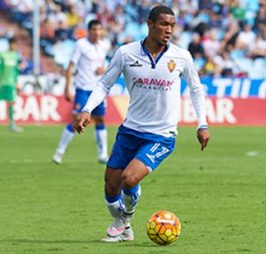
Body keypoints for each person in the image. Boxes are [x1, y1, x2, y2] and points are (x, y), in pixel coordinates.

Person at [73, 5, 210, 242]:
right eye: (164, 24)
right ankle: (125, 229)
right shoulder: (126, 53)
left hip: (161, 135)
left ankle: (125, 218)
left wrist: (202, 123)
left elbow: (196, 90)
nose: (169, 30)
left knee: (129, 178)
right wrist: (87, 109)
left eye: (172, 26)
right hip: (130, 130)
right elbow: (105, 83)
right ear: (149, 24)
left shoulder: (181, 56)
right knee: (110, 186)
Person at [52, 19, 111, 164]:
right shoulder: (81, 45)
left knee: (100, 119)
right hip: (83, 89)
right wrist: (67, 87)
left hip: (98, 90)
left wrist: (104, 69)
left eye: (99, 29)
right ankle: (59, 152)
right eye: (94, 30)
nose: (97, 32)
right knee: (77, 120)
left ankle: (102, 154)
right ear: (88, 31)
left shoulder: (105, 45)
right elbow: (71, 66)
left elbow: (105, 64)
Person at [0, 37, 23, 132]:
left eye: (16, 45)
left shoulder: (16, 56)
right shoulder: (3, 55)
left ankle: (12, 124)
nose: (15, 47)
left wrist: (17, 82)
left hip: (11, 83)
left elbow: (16, 71)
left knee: (11, 103)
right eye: (14, 45)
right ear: (10, 44)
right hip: (2, 83)